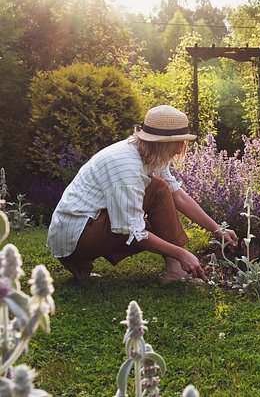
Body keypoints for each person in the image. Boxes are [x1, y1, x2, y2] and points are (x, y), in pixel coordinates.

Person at [46, 105, 237, 284]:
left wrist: (216, 229)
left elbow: (178, 196)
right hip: (76, 237)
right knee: (151, 203)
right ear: (159, 143)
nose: (180, 149)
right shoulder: (126, 165)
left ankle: (173, 269)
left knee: (159, 188)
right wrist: (181, 254)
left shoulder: (149, 153)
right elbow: (134, 231)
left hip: (85, 228)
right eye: (176, 143)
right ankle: (78, 260)